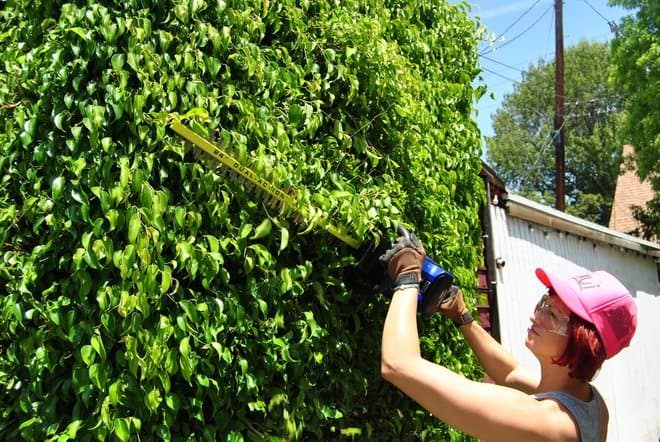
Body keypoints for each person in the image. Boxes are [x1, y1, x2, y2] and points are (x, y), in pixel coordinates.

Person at [379, 228, 637, 442]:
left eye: (554, 315)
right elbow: (510, 373)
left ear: (583, 341)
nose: (536, 316)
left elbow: (399, 364)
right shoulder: (590, 404)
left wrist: (407, 278)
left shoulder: (548, 424)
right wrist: (463, 317)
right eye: (544, 304)